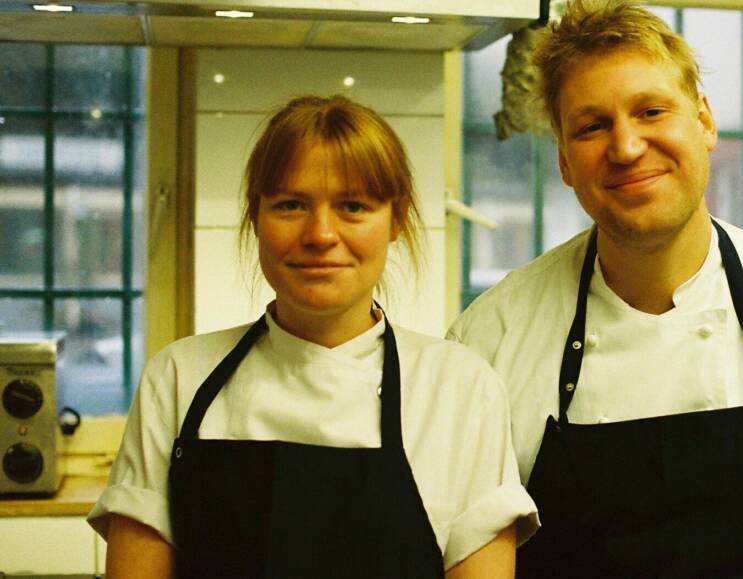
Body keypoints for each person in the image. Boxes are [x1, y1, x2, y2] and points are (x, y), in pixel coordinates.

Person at [448, 0, 743, 578]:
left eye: (650, 111)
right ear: (565, 163)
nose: (626, 146)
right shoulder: (491, 338)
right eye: (592, 126)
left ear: (704, 121)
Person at [89, 94, 538, 578]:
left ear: (396, 219)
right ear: (255, 217)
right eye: (291, 204)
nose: (321, 234)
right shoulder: (178, 379)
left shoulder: (460, 388)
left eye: (353, 206)